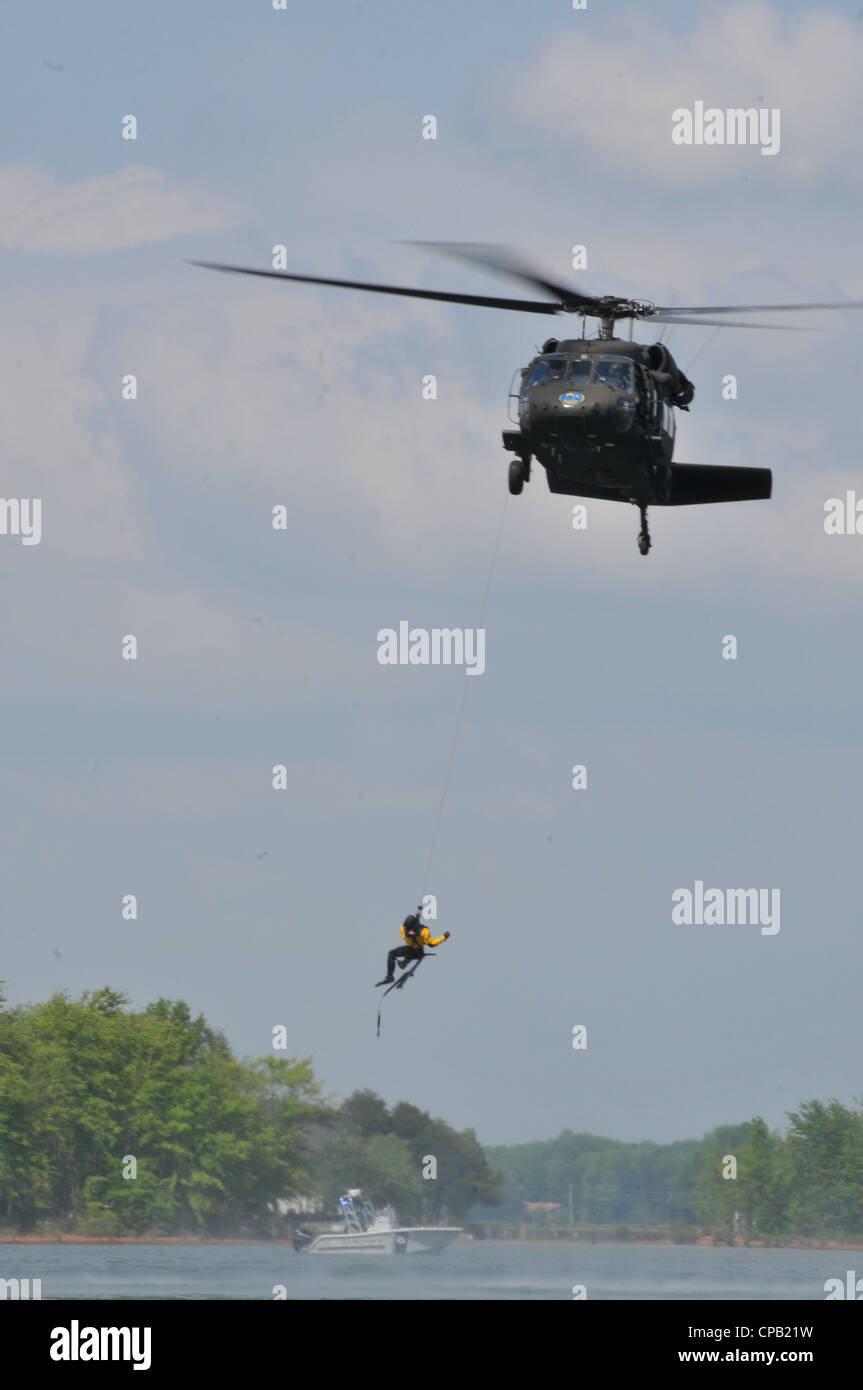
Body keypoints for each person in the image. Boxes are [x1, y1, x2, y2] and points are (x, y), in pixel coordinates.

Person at [377, 912, 450, 985]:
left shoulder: (424, 932)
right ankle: (390, 977)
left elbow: (432, 944)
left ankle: (406, 960)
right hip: (409, 950)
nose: (410, 933)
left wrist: (444, 937)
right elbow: (432, 943)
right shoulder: (403, 929)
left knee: (406, 951)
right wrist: (416, 916)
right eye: (409, 932)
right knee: (391, 954)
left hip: (418, 952)